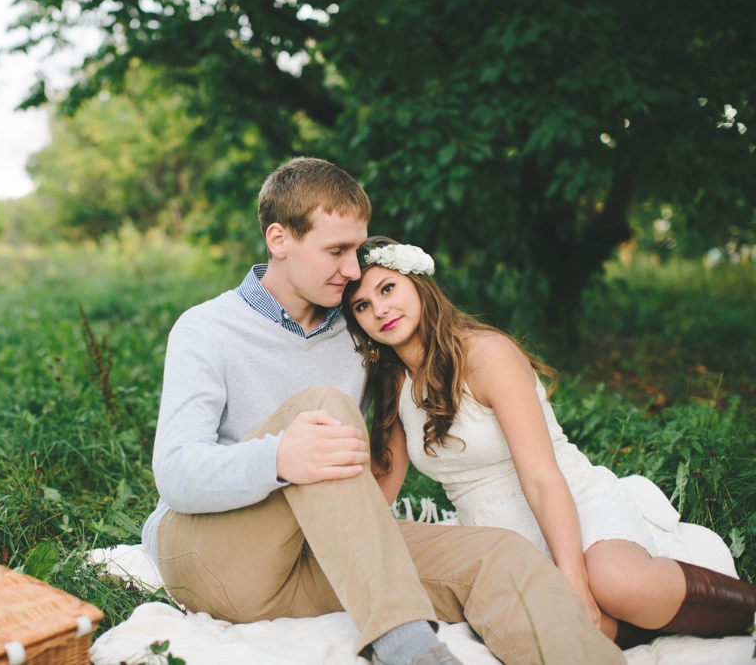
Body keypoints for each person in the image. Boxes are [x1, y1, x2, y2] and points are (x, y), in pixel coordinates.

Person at [142, 158, 626, 665]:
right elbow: (175, 473)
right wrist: (278, 459)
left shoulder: (361, 331)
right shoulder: (206, 329)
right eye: (337, 251)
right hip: (212, 556)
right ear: (279, 240)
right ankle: (406, 646)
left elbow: (419, 375)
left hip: (315, 557)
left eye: (356, 248)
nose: (354, 270)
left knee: (500, 554)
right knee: (325, 409)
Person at [341, 236, 756, 650]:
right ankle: (655, 625)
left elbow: (542, 479)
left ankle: (746, 608)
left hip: (567, 503)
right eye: (362, 305)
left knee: (615, 582)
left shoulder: (486, 356)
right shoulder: (394, 380)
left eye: (388, 288)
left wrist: (574, 581)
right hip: (495, 541)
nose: (380, 310)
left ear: (417, 283)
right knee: (552, 630)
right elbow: (384, 483)